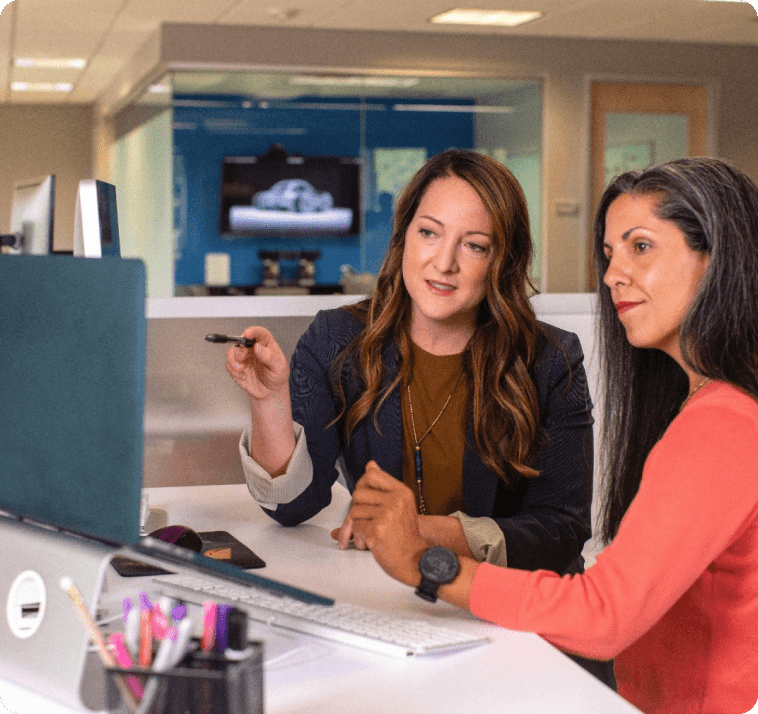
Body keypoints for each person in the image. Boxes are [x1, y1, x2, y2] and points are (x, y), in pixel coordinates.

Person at [348, 156, 758, 714]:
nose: (613, 274)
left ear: (718, 260)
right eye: (609, 254)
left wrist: (425, 563)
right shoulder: (710, 405)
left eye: (641, 247)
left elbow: (603, 616)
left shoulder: (724, 424)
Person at [226, 149, 609, 681]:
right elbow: (293, 506)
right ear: (404, 235)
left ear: (503, 260)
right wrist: (269, 400)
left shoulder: (550, 358)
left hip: (516, 623)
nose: (443, 263)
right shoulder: (338, 340)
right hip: (395, 614)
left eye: (474, 246)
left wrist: (416, 534)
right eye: (429, 233)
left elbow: (561, 531)